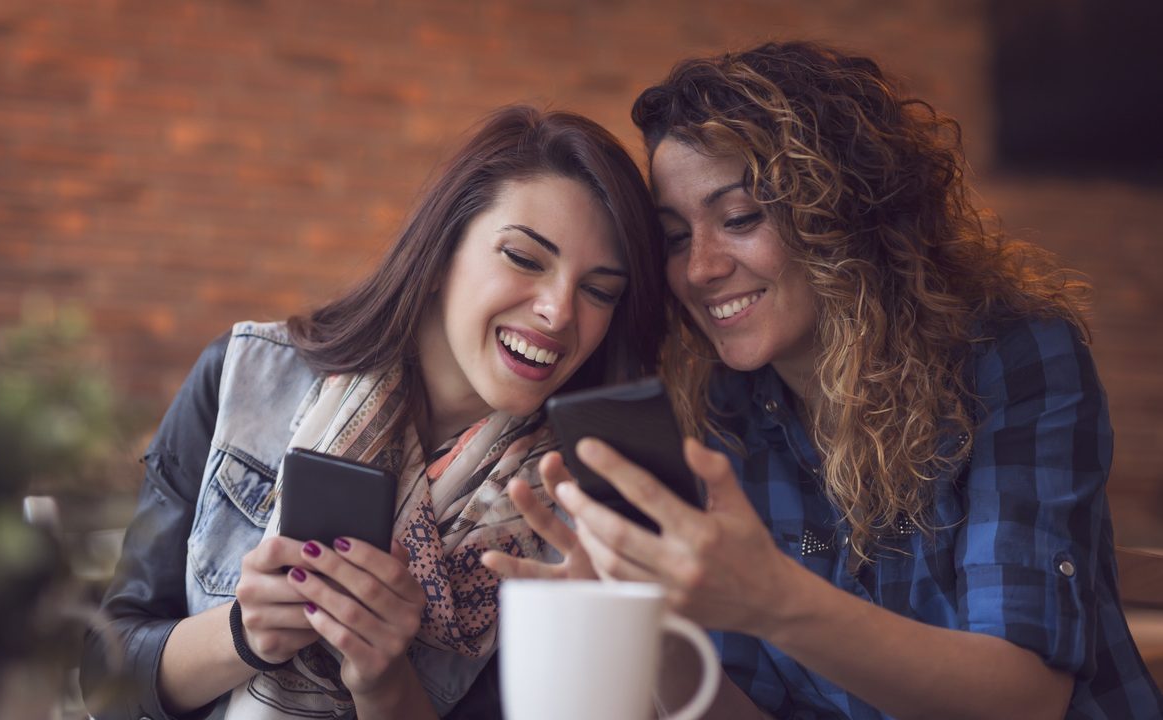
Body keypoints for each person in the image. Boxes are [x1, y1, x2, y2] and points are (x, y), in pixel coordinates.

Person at [484, 42, 1163, 718]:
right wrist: (641, 624)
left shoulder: (1009, 357)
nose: (700, 268)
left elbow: (1024, 699)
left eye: (741, 218)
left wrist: (774, 598)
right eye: (675, 237)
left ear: (843, 212)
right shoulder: (725, 410)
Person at [80, 105, 667, 720]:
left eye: (599, 290)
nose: (559, 312)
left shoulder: (579, 511)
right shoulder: (244, 378)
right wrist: (243, 633)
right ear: (441, 255)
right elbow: (103, 673)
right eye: (524, 258)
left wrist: (386, 681)